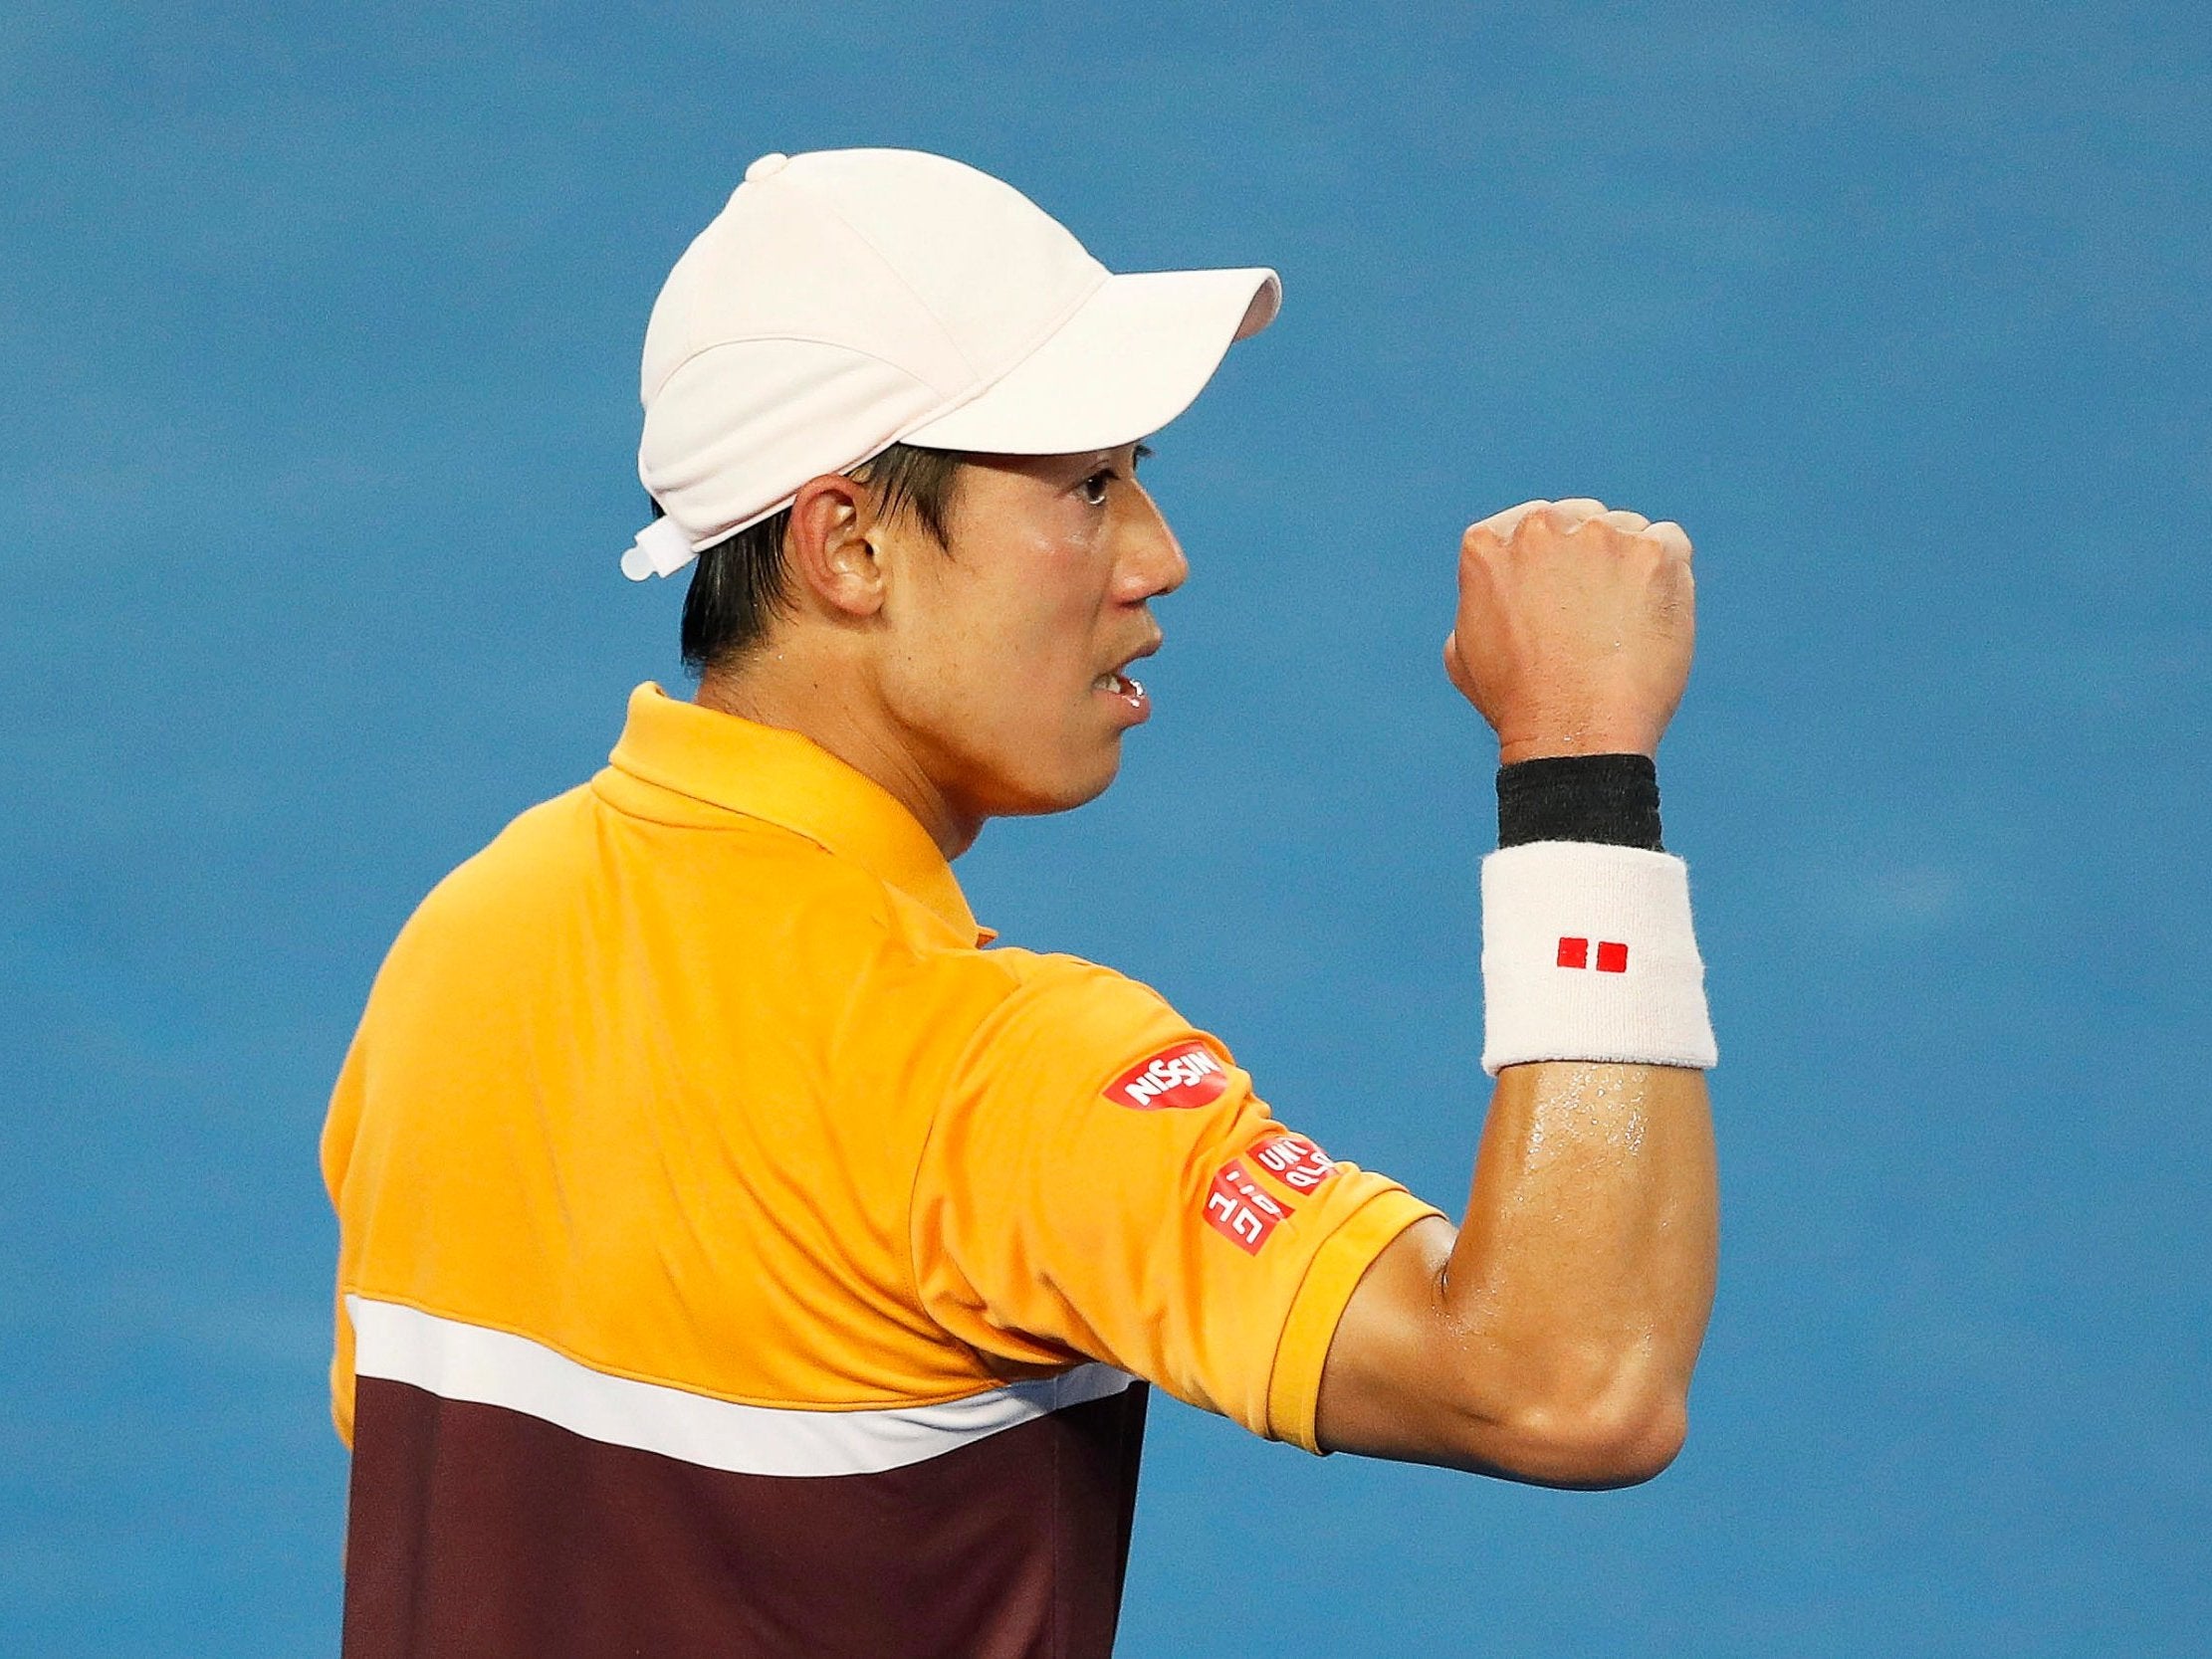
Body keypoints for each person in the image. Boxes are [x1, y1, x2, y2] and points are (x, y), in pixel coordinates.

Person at [321, 147, 1719, 1659]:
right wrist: (1580, 761)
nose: (1157, 560)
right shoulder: (1001, 1076)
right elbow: (1566, 1379)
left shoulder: (467, 939)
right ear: (847, 542)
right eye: (1085, 488)